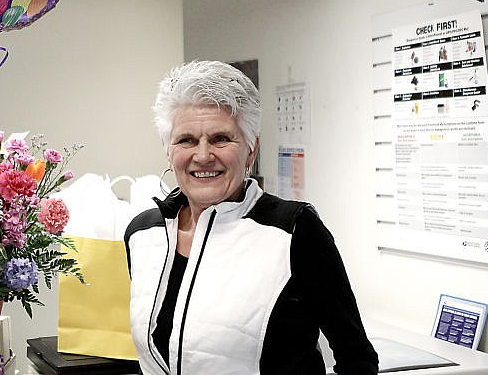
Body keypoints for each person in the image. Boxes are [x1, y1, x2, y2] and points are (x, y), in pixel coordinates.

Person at [125, 60, 378, 374]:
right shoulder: (143, 234)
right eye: (186, 140)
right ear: (168, 149)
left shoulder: (295, 231)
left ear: (251, 149)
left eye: (221, 139)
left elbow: (357, 358)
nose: (202, 155)